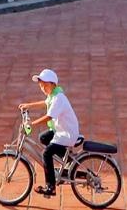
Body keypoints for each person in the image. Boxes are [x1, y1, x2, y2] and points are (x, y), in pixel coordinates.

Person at [18, 68, 82, 197]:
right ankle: (69, 161)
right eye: (41, 85)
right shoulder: (53, 95)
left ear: (53, 84)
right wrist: (28, 105)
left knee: (46, 154)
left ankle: (50, 187)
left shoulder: (59, 99)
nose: (42, 87)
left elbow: (49, 116)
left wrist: (32, 124)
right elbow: (45, 103)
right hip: (61, 130)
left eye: (45, 85)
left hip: (67, 134)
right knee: (43, 138)